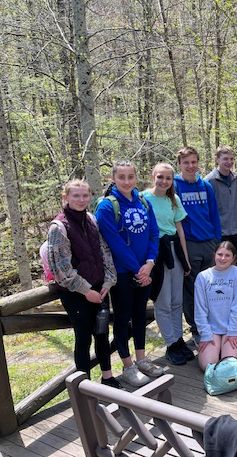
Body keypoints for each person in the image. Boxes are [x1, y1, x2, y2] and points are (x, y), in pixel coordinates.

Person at [95, 161, 164, 387]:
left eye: (130, 176)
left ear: (136, 177)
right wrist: (138, 269)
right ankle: (128, 366)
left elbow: (154, 233)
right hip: (123, 273)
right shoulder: (107, 207)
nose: (126, 181)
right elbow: (116, 245)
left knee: (140, 316)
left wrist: (150, 263)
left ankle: (142, 359)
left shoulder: (143, 202)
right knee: (123, 319)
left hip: (145, 269)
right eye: (121, 177)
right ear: (113, 178)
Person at [46, 179, 120, 388]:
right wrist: (86, 291)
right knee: (84, 338)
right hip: (76, 293)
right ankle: (84, 386)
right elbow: (60, 268)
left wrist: (108, 281)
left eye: (84, 195)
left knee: (102, 333)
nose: (80, 200)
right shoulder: (59, 227)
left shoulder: (91, 219)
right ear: (66, 197)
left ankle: (107, 377)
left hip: (100, 288)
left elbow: (104, 252)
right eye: (75, 196)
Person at [142, 163, 192, 366]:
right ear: (153, 176)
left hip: (174, 250)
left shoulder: (174, 199)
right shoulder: (144, 198)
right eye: (160, 177)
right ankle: (170, 343)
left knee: (176, 300)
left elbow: (179, 230)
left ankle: (179, 340)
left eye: (168, 178)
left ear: (172, 180)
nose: (164, 181)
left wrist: (185, 259)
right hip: (156, 252)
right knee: (163, 301)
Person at [174, 146, 221, 345]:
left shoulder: (206, 186)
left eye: (194, 162)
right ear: (179, 165)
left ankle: (213, 324)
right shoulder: (174, 187)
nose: (191, 166)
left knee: (211, 288)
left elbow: (214, 215)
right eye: (186, 163)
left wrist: (217, 241)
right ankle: (196, 328)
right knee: (192, 289)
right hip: (190, 244)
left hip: (209, 242)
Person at [194, 241, 237, 371]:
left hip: (233, 328)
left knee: (229, 367)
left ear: (233, 258)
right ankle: (215, 349)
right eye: (220, 254)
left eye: (227, 255)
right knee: (208, 367)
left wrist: (233, 331)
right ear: (214, 255)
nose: (223, 258)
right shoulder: (203, 277)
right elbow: (200, 309)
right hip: (212, 329)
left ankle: (225, 349)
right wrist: (205, 334)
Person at [205, 145, 237, 263]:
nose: (229, 162)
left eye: (231, 159)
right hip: (219, 232)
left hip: (235, 230)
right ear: (217, 159)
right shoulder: (209, 181)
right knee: (221, 265)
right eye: (225, 159)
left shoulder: (235, 178)